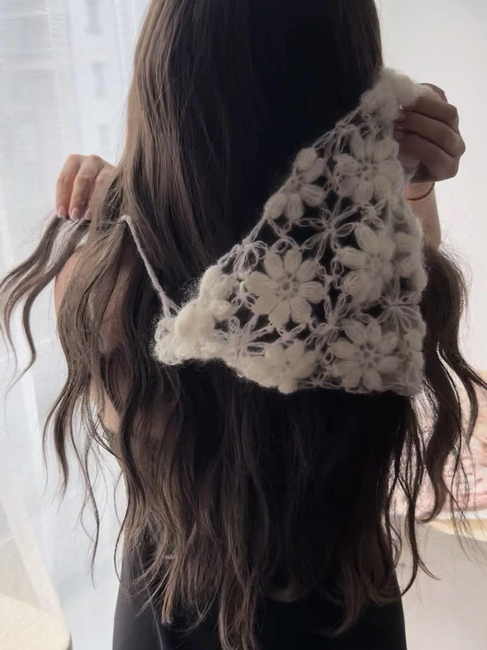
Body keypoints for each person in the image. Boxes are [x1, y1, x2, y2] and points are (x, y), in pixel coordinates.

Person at [1, 1, 485, 649]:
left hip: (170, 608)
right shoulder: (359, 284)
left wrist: (132, 209)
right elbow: (404, 286)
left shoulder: (108, 283)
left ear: (161, 86)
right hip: (341, 609)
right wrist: (410, 192)